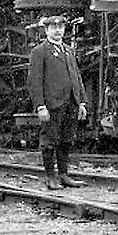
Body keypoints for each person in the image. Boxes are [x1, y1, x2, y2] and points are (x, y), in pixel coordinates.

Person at [28, 14, 89, 190]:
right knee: (49, 141)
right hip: (52, 104)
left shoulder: (68, 50)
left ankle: (63, 175)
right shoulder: (40, 51)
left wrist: (82, 102)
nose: (58, 31)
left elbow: (76, 77)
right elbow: (34, 81)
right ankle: (50, 177)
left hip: (71, 102)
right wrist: (40, 106)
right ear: (46, 30)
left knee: (66, 139)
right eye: (54, 28)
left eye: (61, 27)